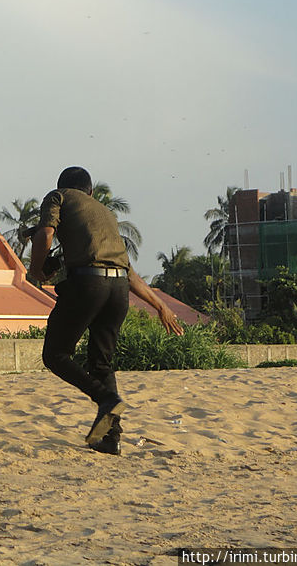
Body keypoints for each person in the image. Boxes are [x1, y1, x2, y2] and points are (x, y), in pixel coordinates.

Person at [27, 166, 183, 455]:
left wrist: (36, 270)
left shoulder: (58, 197)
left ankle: (105, 398)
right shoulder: (105, 214)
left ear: (63, 187)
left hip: (88, 284)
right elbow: (128, 272)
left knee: (55, 355)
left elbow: (46, 233)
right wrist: (161, 305)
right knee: (101, 364)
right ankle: (112, 438)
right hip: (119, 290)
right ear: (90, 192)